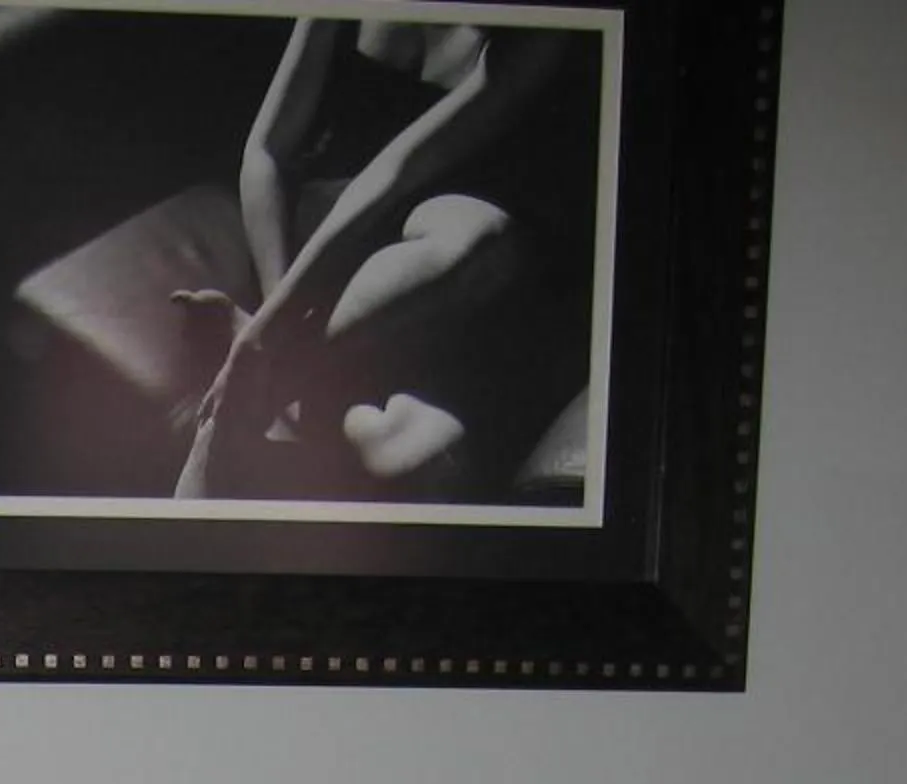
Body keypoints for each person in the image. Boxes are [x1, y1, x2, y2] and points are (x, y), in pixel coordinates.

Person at [170, 16, 598, 504]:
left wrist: (263, 342)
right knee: (411, 442)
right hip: (321, 253)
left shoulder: (535, 36)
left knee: (480, 237)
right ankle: (270, 386)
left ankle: (246, 397)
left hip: (425, 253)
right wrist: (276, 310)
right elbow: (266, 151)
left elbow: (398, 173)